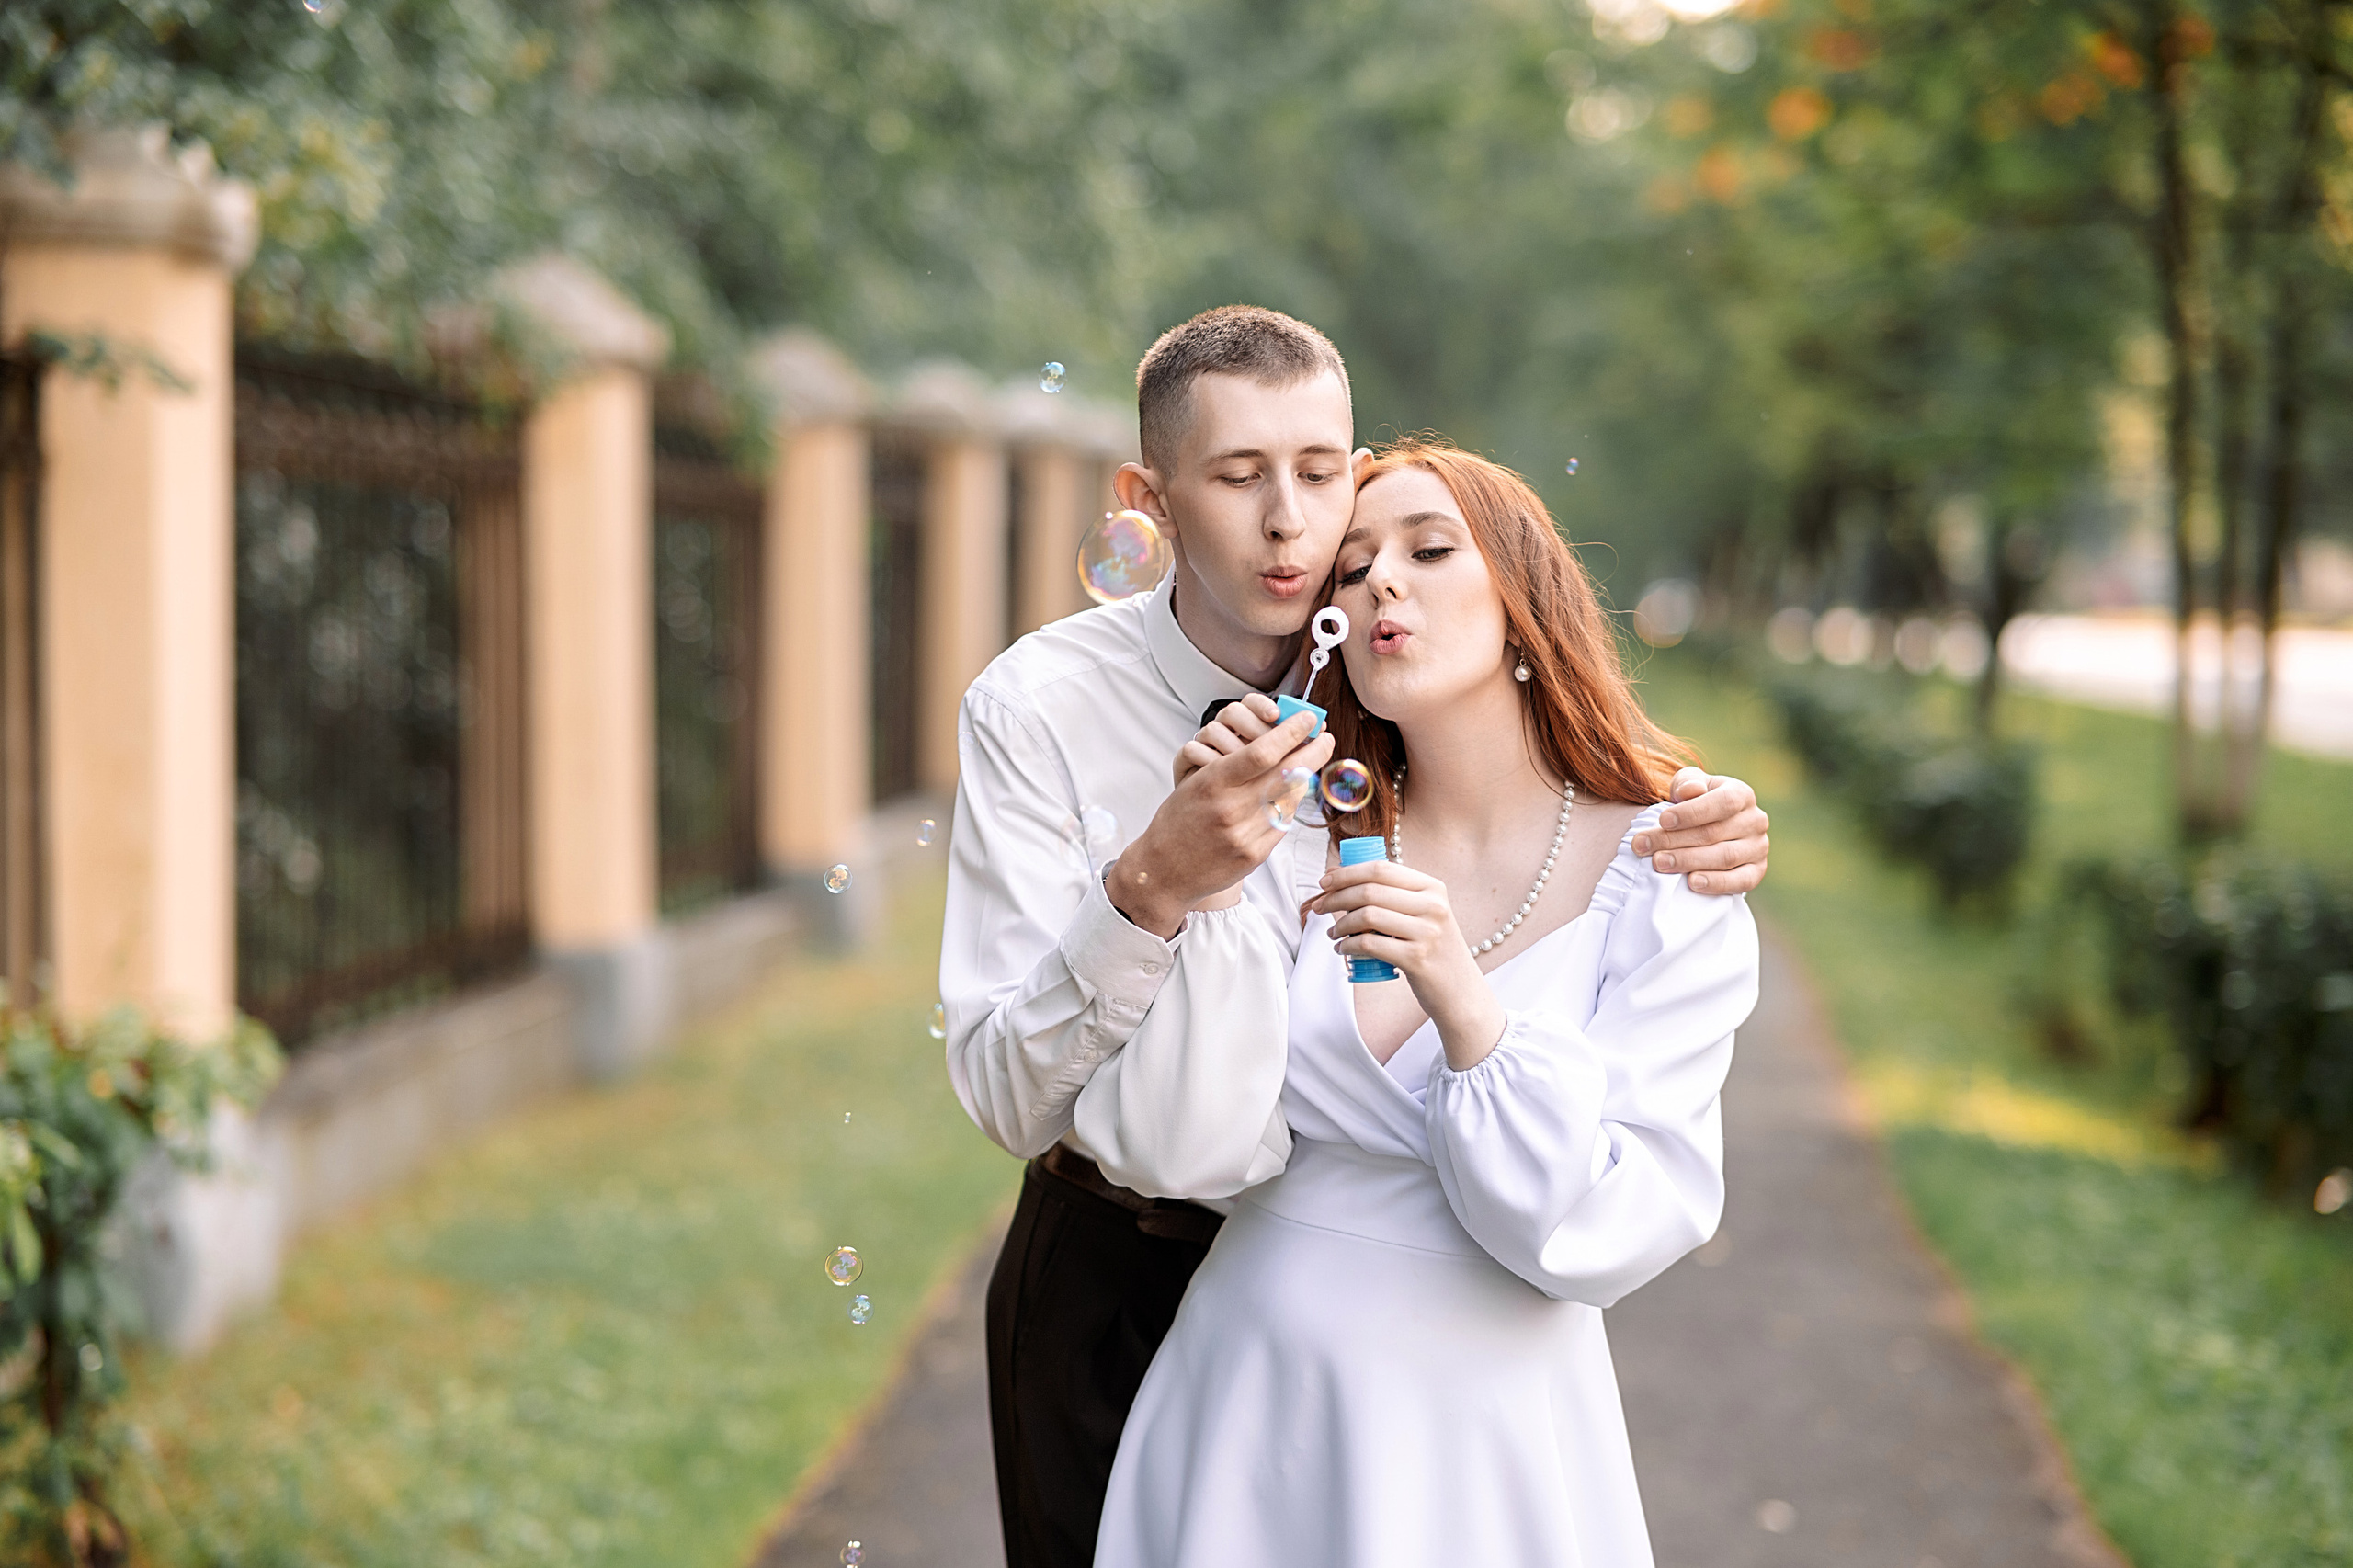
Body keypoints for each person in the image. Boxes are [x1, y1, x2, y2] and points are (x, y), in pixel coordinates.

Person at [940, 307, 1772, 1568]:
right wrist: (1160, 881)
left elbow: (1626, 1173)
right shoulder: (1058, 716)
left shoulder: (1553, 830)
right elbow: (1008, 1083)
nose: (1307, 535)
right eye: (1236, 476)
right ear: (1149, 500)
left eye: (1324, 477)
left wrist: (1684, 804)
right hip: (1129, 1264)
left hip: (1464, 1384)